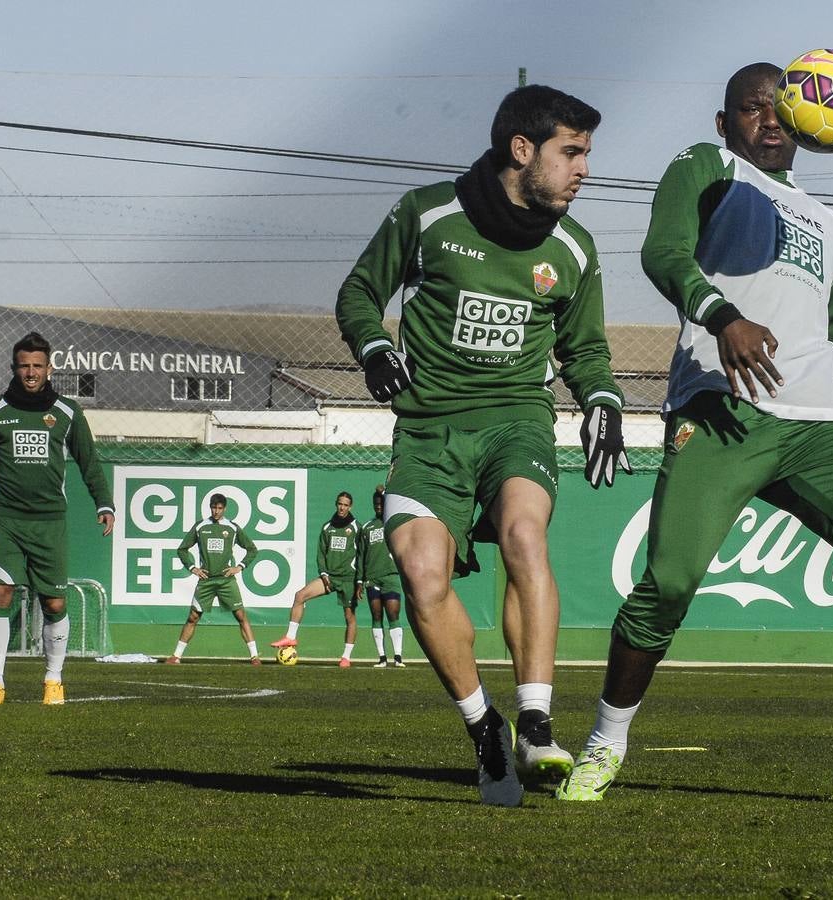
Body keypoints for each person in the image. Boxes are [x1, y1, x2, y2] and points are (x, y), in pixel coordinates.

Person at [556, 63, 833, 802]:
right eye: (750, 108)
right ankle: (606, 743)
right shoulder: (707, 166)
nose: (768, 120)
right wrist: (721, 315)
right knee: (667, 584)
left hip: (822, 424)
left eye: (779, 108)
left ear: (804, 120)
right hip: (720, 410)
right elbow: (662, 253)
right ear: (724, 121)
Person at [335, 84, 630, 806]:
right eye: (572, 152)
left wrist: (603, 401)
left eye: (587, 153)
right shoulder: (428, 213)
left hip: (517, 420)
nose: (584, 168)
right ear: (521, 150)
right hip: (430, 428)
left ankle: (535, 722)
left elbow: (585, 350)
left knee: (526, 536)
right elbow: (358, 293)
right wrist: (375, 349)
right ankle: (484, 728)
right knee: (421, 574)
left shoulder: (574, 248)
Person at [0, 332, 114, 705]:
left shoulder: (67, 412)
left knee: (54, 604)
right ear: (14, 368)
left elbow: (89, 461)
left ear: (50, 368)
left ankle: (53, 678)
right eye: (24, 365)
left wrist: (104, 503)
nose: (30, 372)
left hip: (49, 522)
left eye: (37, 366)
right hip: (4, 518)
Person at [166, 492, 261, 665]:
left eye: (219, 508)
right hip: (206, 581)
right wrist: (193, 567)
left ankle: (255, 657)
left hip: (226, 580)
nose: (216, 511)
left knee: (241, 616)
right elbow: (182, 549)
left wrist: (239, 567)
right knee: (193, 617)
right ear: (209, 507)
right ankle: (176, 656)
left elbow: (252, 549)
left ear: (224, 508)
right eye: (213, 507)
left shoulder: (232, 528)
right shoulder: (201, 526)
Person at [270, 492, 361, 667]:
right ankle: (290, 637)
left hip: (349, 578)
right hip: (330, 577)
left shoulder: (357, 527)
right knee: (300, 595)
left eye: (346, 505)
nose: (342, 507)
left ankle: (346, 657)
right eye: (340, 504)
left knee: (350, 617)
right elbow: (321, 554)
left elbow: (363, 554)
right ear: (336, 504)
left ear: (351, 507)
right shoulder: (327, 527)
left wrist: (360, 580)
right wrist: (324, 574)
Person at [358, 486, 405, 668]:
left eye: (381, 503)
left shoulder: (392, 522)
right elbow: (361, 555)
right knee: (376, 615)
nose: (378, 506)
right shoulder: (367, 527)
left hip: (391, 576)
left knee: (393, 612)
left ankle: (398, 657)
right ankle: (382, 657)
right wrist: (360, 581)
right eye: (375, 504)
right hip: (372, 577)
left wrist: (385, 492)